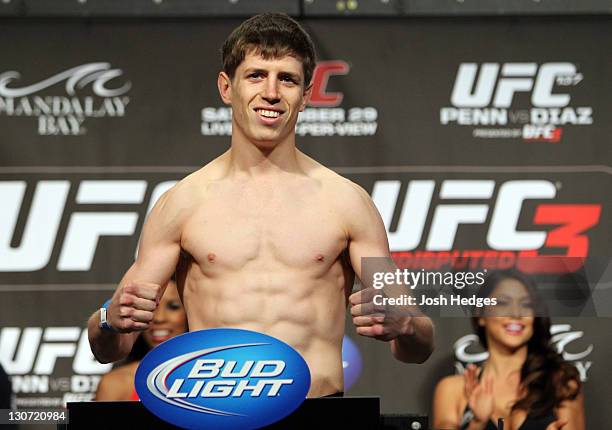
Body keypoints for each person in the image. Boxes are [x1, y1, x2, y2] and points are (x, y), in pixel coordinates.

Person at [88, 12, 433, 397]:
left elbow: (418, 344)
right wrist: (107, 319)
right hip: (217, 412)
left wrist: (406, 326)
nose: (271, 92)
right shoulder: (183, 203)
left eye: (287, 79)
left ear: (305, 95)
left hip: (319, 411)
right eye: (255, 75)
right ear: (226, 87)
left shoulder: (346, 202)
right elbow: (110, 347)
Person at [432, 270, 584, 430]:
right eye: (503, 303)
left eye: (526, 304)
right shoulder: (452, 390)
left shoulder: (561, 383)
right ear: (481, 315)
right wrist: (477, 423)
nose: (516, 313)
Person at [95, 280, 187, 401]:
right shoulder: (116, 384)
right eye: (150, 307)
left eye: (173, 307)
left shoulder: (215, 381)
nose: (159, 318)